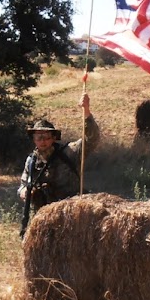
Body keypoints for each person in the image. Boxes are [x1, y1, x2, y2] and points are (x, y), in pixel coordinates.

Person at [18, 93, 100, 236]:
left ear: (54, 138)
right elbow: (23, 185)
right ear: (34, 139)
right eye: (38, 137)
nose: (42, 141)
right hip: (44, 219)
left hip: (72, 217)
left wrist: (86, 110)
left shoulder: (69, 152)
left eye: (46, 137)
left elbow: (91, 140)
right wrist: (25, 192)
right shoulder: (31, 161)